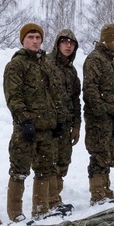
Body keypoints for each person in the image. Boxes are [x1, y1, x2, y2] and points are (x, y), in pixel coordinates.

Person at [3, 22, 59, 221]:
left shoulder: (46, 64)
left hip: (46, 128)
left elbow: (53, 95)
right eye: (31, 38)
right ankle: (15, 213)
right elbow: (13, 96)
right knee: (19, 170)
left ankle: (41, 209)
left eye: (38, 38)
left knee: (44, 170)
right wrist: (24, 121)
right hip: (26, 129)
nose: (35, 41)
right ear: (23, 40)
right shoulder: (16, 65)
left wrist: (56, 119)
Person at [83, 23, 114, 204]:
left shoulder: (109, 60)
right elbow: (90, 89)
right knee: (98, 154)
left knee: (108, 153)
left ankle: (106, 190)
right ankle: (97, 193)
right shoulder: (95, 59)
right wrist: (100, 111)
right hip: (98, 117)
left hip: (109, 116)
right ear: (106, 39)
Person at [46, 28, 81, 213]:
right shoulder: (47, 64)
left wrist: (76, 125)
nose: (68, 46)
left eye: (71, 43)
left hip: (66, 124)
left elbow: (76, 99)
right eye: (64, 42)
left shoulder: (72, 71)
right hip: (51, 125)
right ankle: (50, 201)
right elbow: (43, 96)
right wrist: (50, 120)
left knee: (62, 161)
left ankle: (56, 199)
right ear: (57, 44)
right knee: (49, 161)